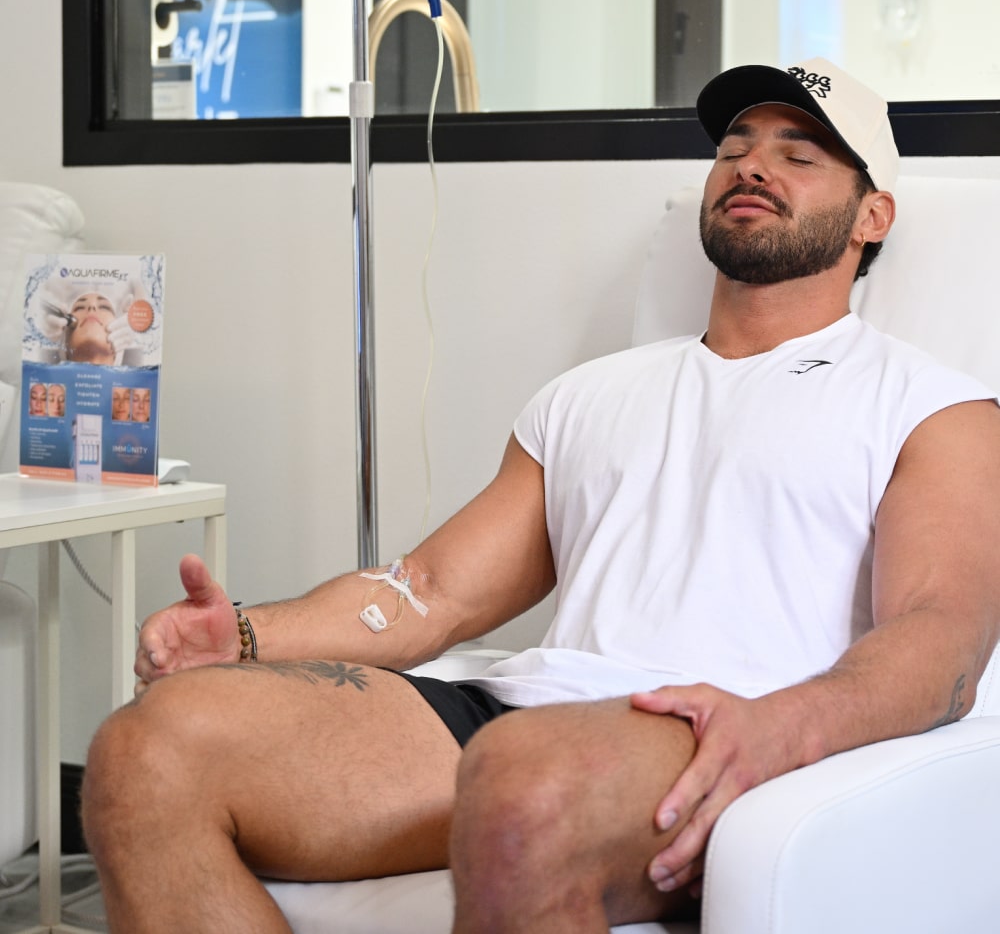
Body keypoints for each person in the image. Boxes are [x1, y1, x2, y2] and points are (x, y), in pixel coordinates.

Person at [82, 58, 1000, 934]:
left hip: (719, 727)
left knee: (524, 782)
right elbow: (433, 592)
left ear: (871, 215)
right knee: (145, 751)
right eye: (734, 149)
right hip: (525, 714)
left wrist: (778, 730)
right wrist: (246, 634)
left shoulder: (934, 408)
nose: (753, 165)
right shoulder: (591, 394)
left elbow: (942, 638)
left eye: (798, 155)